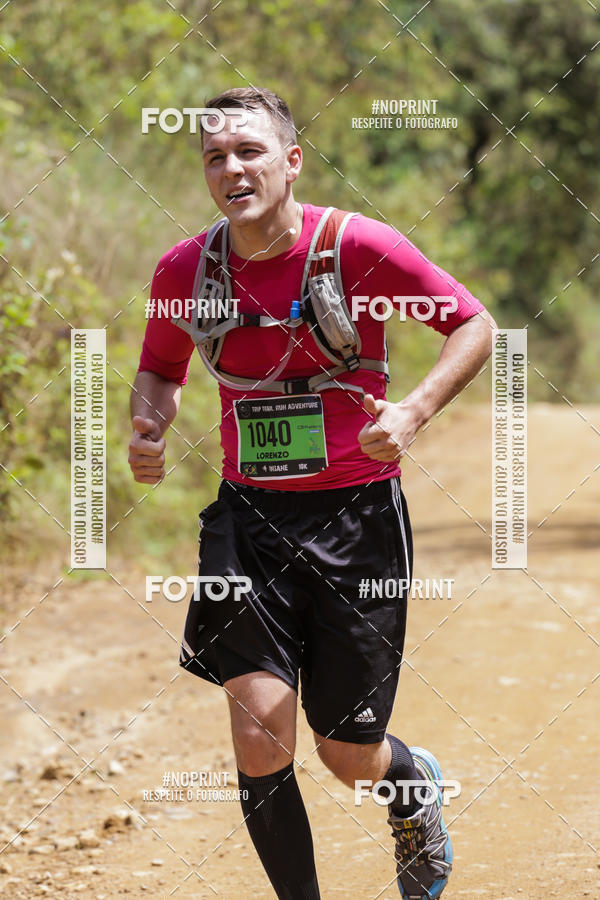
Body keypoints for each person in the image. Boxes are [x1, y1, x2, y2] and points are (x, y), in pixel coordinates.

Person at [129, 87, 495, 900]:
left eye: (250, 151)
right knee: (260, 739)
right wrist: (146, 427)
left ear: (291, 161)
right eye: (215, 157)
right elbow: (160, 367)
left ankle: (409, 784)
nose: (232, 169)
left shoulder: (357, 247)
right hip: (246, 521)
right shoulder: (187, 269)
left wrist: (413, 411)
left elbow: (473, 324)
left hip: (357, 519)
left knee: (343, 752)